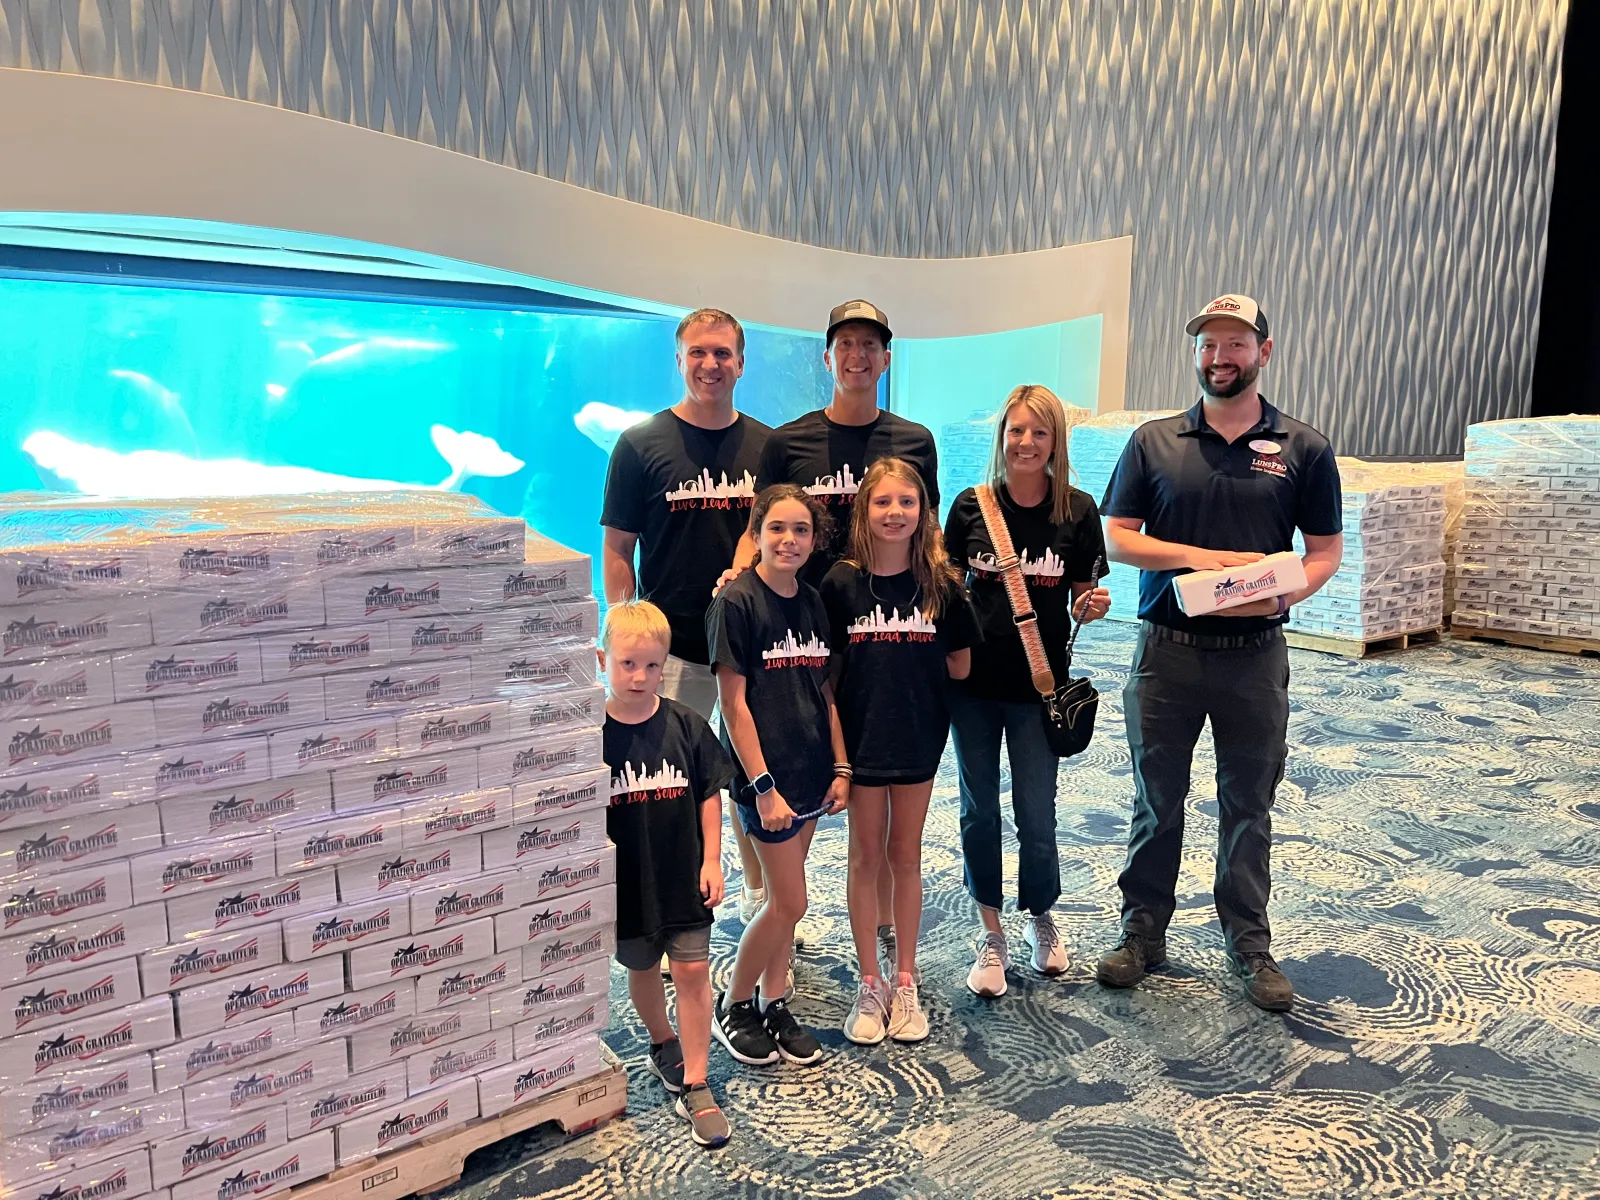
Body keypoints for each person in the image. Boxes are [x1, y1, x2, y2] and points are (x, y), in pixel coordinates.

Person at [1095, 294, 1343, 1012]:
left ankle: (1249, 942)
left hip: (1255, 656)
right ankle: (1143, 932)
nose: (1220, 357)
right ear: (1196, 354)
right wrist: (1199, 556)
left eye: (1235, 343)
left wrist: (1286, 593)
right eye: (1208, 345)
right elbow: (1118, 536)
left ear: (1264, 351)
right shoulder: (1154, 441)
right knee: (1156, 801)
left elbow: (1324, 552)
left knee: (1248, 805)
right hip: (1166, 653)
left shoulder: (1303, 447)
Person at [729, 299, 940, 965]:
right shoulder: (787, 442)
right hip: (798, 641)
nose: (857, 356)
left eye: (870, 345)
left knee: (871, 791)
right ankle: (774, 906)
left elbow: (927, 532)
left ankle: (875, 929)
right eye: (845, 344)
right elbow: (758, 527)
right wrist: (738, 584)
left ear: (884, 359)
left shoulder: (914, 440)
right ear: (827, 358)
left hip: (881, 639)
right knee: (793, 776)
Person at [600, 307, 774, 923]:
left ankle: (762, 895)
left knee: (755, 774)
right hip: (672, 653)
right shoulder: (639, 445)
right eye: (698, 352)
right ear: (679, 359)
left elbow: (769, 532)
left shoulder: (767, 446)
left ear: (741, 363)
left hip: (751, 649)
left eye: (723, 353)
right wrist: (625, 629)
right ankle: (674, 909)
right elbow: (618, 550)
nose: (710, 364)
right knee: (671, 787)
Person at [943, 385, 1111, 998]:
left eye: (1039, 433)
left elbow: (1083, 595)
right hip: (973, 689)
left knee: (1037, 815)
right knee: (978, 810)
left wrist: (1091, 605)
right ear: (1002, 437)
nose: (1026, 443)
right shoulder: (970, 508)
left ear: (1055, 442)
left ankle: (1040, 914)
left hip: (1040, 688)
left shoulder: (1078, 511)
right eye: (1016, 430)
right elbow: (944, 587)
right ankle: (990, 930)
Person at [821, 458, 979, 1045]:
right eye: (883, 502)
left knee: (905, 854)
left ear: (923, 512)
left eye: (906, 503)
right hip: (860, 746)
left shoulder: (941, 585)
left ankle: (905, 978)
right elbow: (828, 678)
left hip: (917, 739)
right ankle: (870, 982)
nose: (895, 513)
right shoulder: (840, 585)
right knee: (865, 857)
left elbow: (960, 663)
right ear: (865, 508)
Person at [706, 484, 849, 1067]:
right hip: (765, 782)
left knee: (784, 902)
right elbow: (733, 707)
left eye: (801, 530)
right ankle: (734, 1003)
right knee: (789, 902)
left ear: (815, 539)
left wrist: (840, 766)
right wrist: (763, 788)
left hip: (810, 770)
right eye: (777, 529)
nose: (789, 540)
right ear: (758, 534)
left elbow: (824, 691)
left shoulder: (813, 602)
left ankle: (773, 999)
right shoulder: (735, 603)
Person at [600, 600, 734, 1148]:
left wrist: (710, 858)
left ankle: (698, 1081)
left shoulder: (687, 725)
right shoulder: (588, 736)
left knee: (693, 973)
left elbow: (709, 794)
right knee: (642, 965)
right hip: (626, 882)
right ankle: (663, 1040)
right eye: (628, 664)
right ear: (601, 658)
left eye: (652, 666)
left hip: (684, 875)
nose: (641, 676)